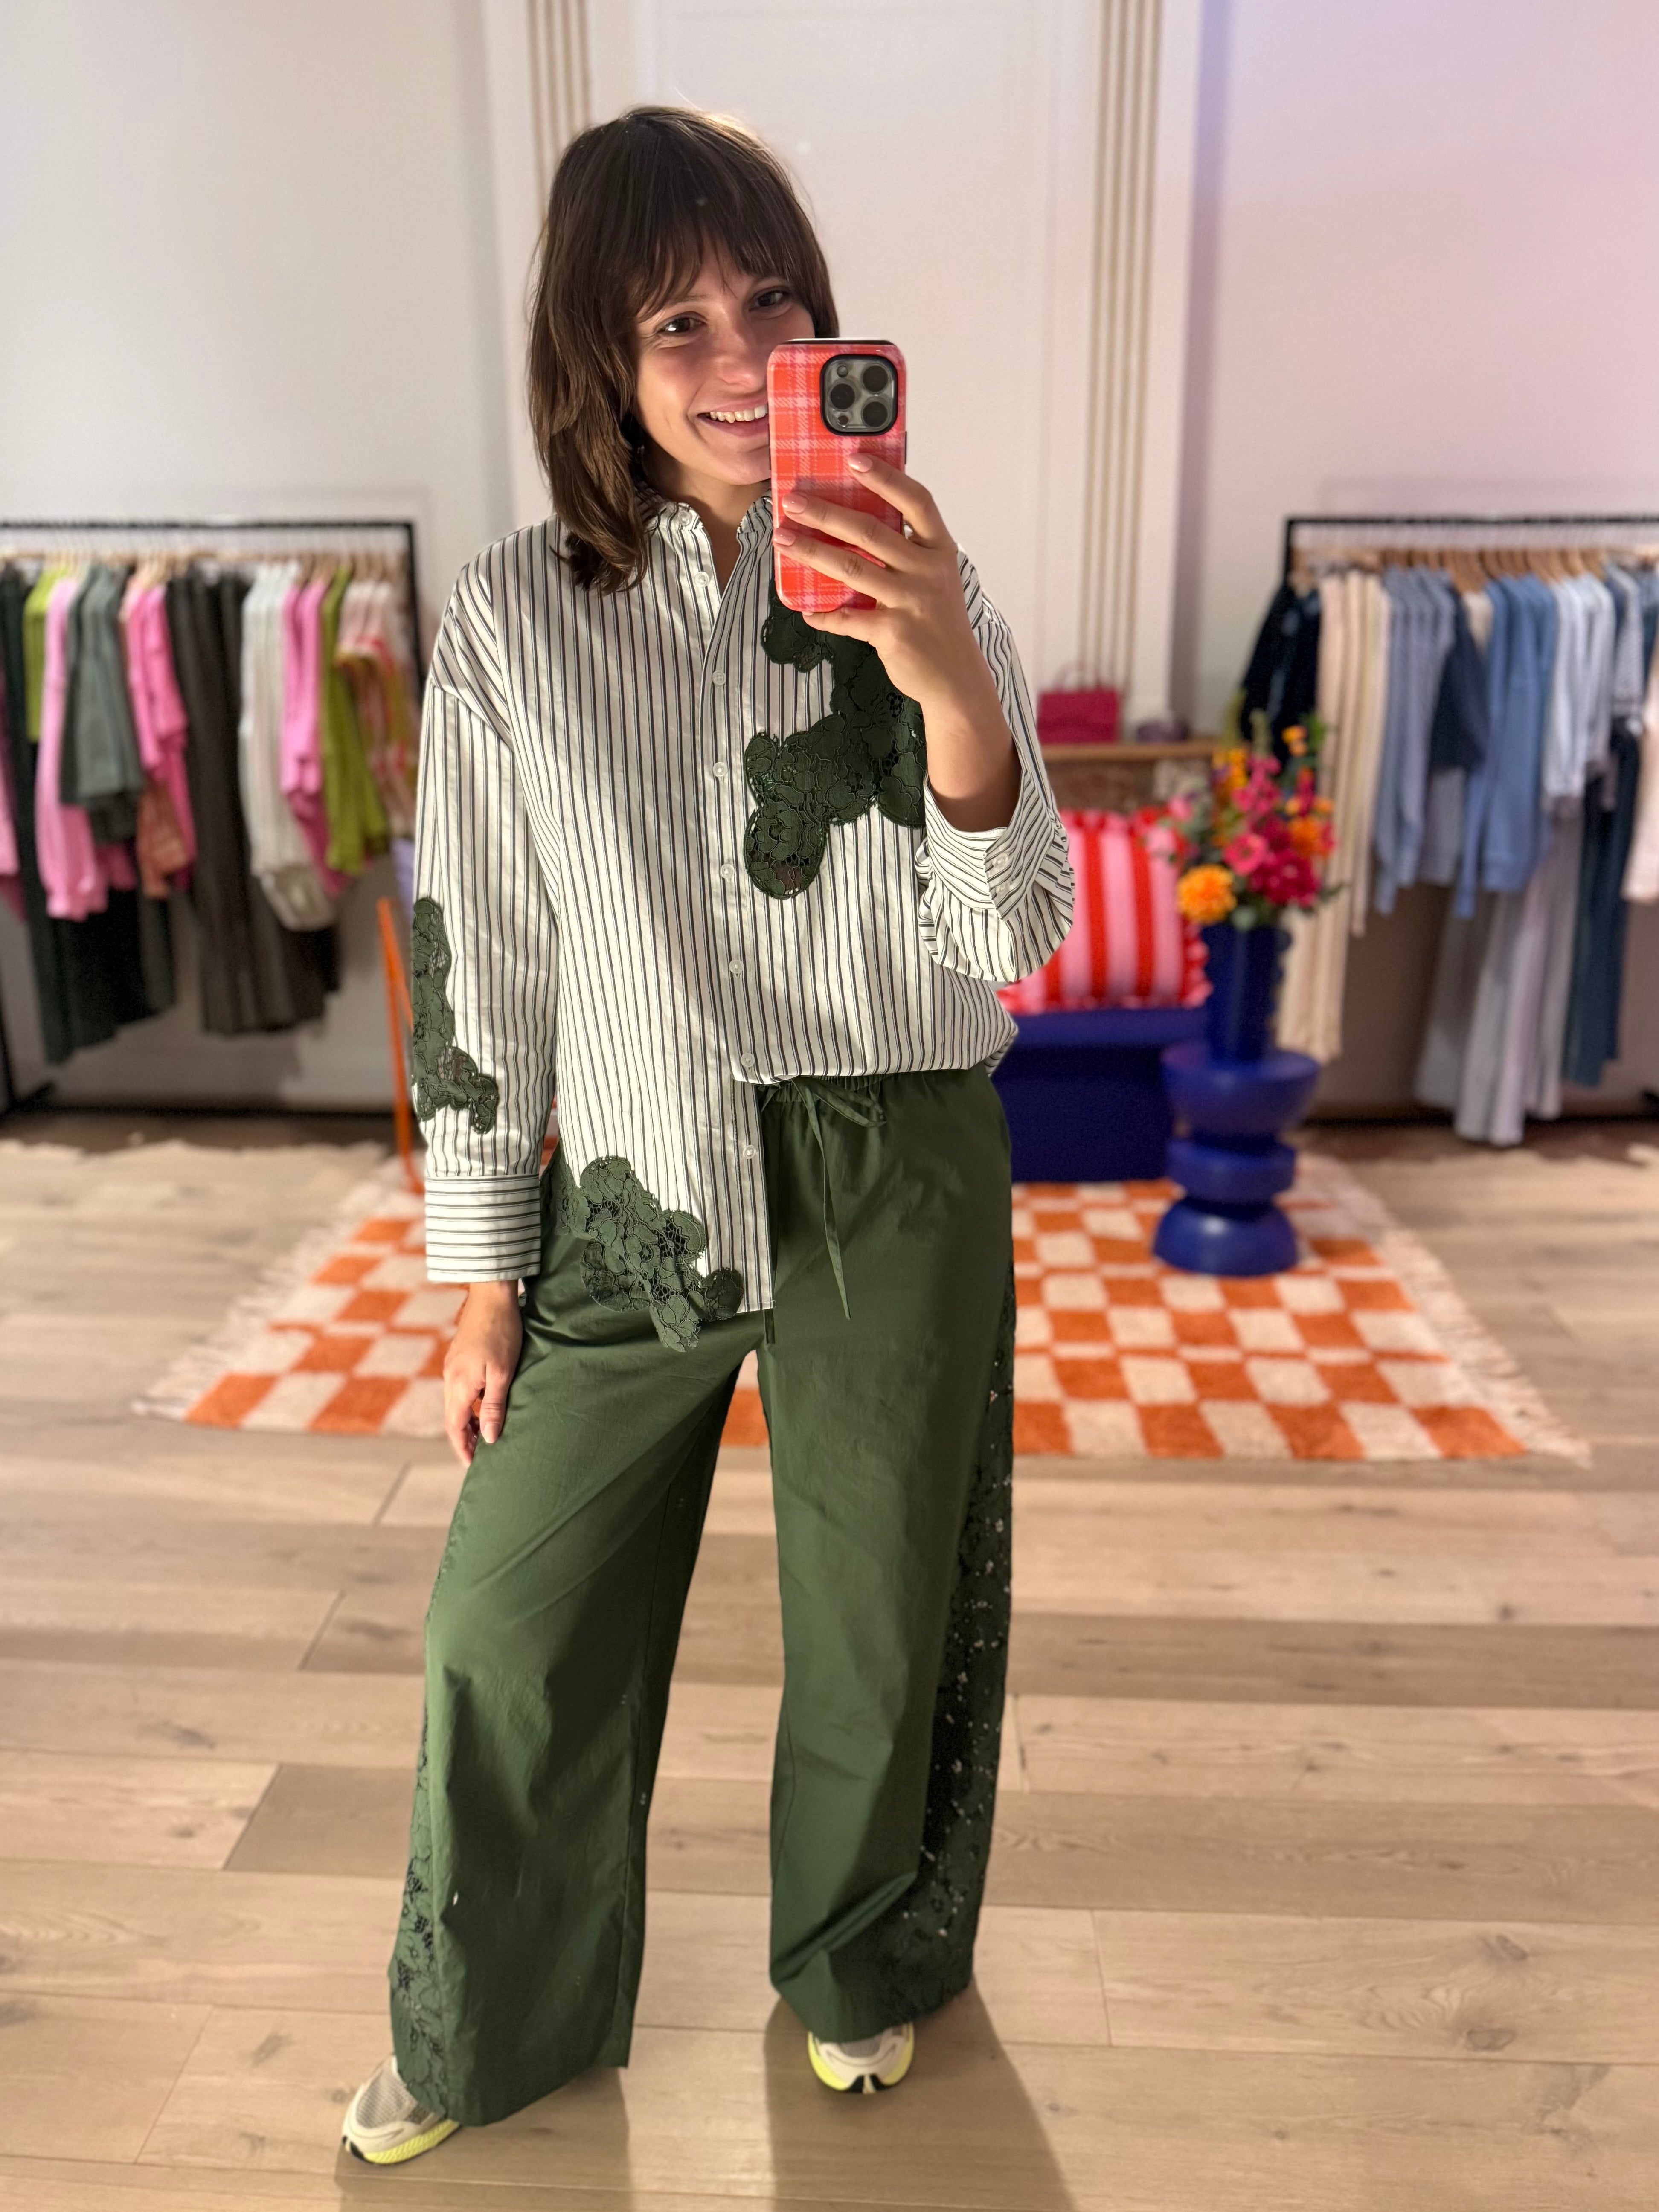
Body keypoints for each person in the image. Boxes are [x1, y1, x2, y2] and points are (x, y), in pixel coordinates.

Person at [343, 104, 1073, 2168]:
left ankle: (860, 1959)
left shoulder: (917, 568)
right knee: (507, 1614)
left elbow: (1014, 932)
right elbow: (481, 961)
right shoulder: (513, 618)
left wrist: (945, 680)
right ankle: (491, 2013)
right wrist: (481, 1276)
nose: (743, 356)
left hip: (896, 1154)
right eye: (677, 320)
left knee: (881, 1603)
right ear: (596, 351)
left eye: (773, 302)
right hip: (635, 1178)